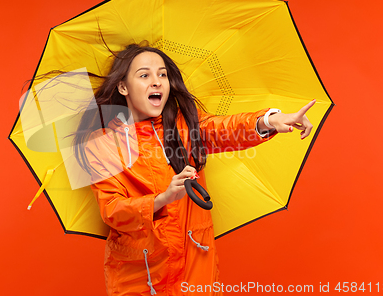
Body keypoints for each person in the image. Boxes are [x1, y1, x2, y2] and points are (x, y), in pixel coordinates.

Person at [74, 43, 314, 296]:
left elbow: (225, 129)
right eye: (144, 75)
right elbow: (112, 210)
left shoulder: (185, 125)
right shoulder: (102, 144)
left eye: (162, 74)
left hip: (195, 266)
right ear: (123, 87)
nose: (156, 82)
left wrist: (269, 120)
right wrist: (162, 199)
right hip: (139, 274)